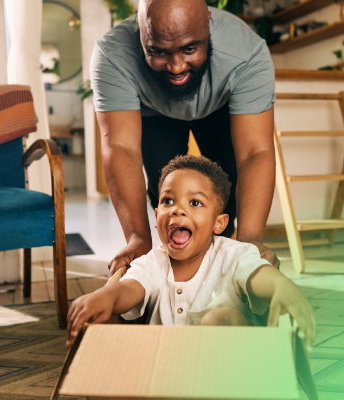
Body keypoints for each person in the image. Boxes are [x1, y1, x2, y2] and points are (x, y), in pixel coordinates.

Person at [91, 0, 279, 276]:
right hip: (154, 111)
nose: (176, 67)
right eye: (157, 51)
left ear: (208, 22)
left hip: (220, 107)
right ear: (141, 31)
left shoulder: (246, 53)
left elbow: (255, 153)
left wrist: (251, 239)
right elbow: (121, 148)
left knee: (225, 192)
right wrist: (137, 239)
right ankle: (179, 274)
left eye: (190, 48)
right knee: (167, 192)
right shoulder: (113, 54)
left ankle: (222, 268)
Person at [66, 156, 316, 351]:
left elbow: (259, 274)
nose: (177, 210)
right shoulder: (153, 262)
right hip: (162, 373)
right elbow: (130, 288)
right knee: (109, 325)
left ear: (219, 223)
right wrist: (107, 294)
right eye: (168, 201)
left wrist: (282, 287)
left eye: (195, 203)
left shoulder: (234, 254)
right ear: (156, 217)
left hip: (226, 377)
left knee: (219, 319)